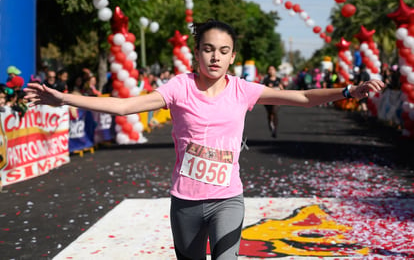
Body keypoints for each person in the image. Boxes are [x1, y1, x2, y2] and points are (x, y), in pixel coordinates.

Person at [24, 19, 384, 260]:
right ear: (197, 52)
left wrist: (350, 89)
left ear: (232, 57)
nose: (215, 56)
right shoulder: (179, 88)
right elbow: (123, 107)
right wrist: (65, 98)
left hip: (228, 200)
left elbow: (303, 97)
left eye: (223, 51)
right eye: (208, 49)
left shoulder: (244, 90)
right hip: (186, 203)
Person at [261, 65, 284, 138]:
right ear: (268, 71)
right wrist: (268, 88)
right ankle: (270, 123)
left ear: (275, 71)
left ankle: (275, 129)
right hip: (268, 99)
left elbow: (282, 89)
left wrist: (281, 89)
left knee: (275, 112)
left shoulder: (279, 79)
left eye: (273, 69)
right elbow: (262, 89)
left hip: (277, 99)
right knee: (270, 114)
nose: (271, 71)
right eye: (270, 69)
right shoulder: (266, 80)